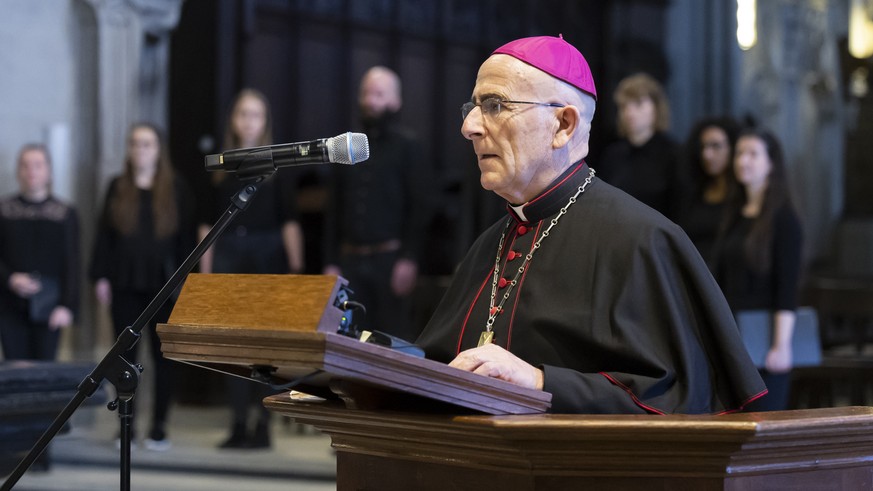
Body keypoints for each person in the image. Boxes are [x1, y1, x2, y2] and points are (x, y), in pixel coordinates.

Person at [415, 35, 767, 414]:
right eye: (473, 107)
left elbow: (677, 401)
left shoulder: (642, 240)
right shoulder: (488, 246)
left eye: (495, 105)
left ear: (563, 125)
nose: (470, 126)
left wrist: (540, 382)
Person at [200, 88, 304, 449]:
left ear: (264, 122)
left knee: (265, 347)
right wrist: (206, 273)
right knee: (235, 345)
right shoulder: (219, 167)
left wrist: (295, 267)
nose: (248, 121)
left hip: (267, 255)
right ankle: (238, 422)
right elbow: (206, 226)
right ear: (233, 119)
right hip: (229, 254)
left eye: (256, 114)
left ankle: (263, 424)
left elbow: (289, 222)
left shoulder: (278, 167)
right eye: (243, 113)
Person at [90, 123, 194, 450]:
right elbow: (104, 237)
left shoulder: (176, 188)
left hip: (164, 285)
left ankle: (159, 426)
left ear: (159, 149)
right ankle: (126, 427)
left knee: (163, 359)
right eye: (135, 144)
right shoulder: (117, 186)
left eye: (147, 144)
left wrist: (186, 282)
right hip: (124, 282)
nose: (141, 150)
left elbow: (187, 241)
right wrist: (101, 277)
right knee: (125, 359)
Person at [323, 66, 430, 342]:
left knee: (390, 340)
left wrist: (409, 257)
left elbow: (419, 206)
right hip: (349, 261)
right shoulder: (345, 145)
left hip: (389, 261)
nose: (371, 101)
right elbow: (333, 208)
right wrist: (331, 262)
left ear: (395, 101)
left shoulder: (408, 147)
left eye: (379, 94)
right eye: (366, 93)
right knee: (344, 338)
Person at [712, 127, 803, 411]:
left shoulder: (784, 219)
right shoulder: (735, 214)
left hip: (764, 341)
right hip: (733, 338)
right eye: (740, 153)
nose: (743, 161)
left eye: (753, 154)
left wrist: (781, 345)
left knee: (762, 425)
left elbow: (787, 288)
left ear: (771, 164)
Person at [0, 144, 79, 360]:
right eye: (25, 165)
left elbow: (72, 262)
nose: (31, 171)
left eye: (38, 165)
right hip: (9, 305)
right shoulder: (4, 210)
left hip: (50, 306)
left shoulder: (65, 213)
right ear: (18, 171)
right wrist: (10, 279)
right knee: (15, 371)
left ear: (49, 171)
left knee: (45, 372)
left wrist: (67, 305)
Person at [597, 73, 684, 221]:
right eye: (624, 106)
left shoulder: (674, 155)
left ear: (656, 108)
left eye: (638, 104)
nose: (629, 113)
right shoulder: (613, 155)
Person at [678, 117, 740, 264]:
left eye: (716, 146)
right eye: (703, 147)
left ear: (733, 148)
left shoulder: (743, 198)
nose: (707, 155)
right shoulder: (693, 193)